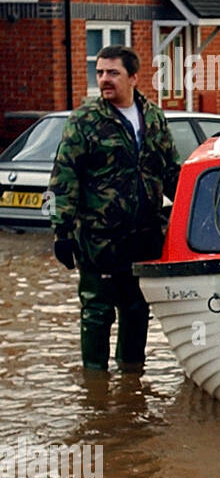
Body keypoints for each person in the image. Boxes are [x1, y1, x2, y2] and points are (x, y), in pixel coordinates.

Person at [50, 45, 181, 371]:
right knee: (97, 313)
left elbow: (170, 172)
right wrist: (61, 232)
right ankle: (95, 387)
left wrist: (198, 211)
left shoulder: (153, 117)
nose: (104, 80)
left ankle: (131, 381)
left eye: (113, 73)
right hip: (98, 239)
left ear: (134, 77)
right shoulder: (84, 121)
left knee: (137, 310)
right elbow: (62, 179)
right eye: (100, 73)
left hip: (144, 236)